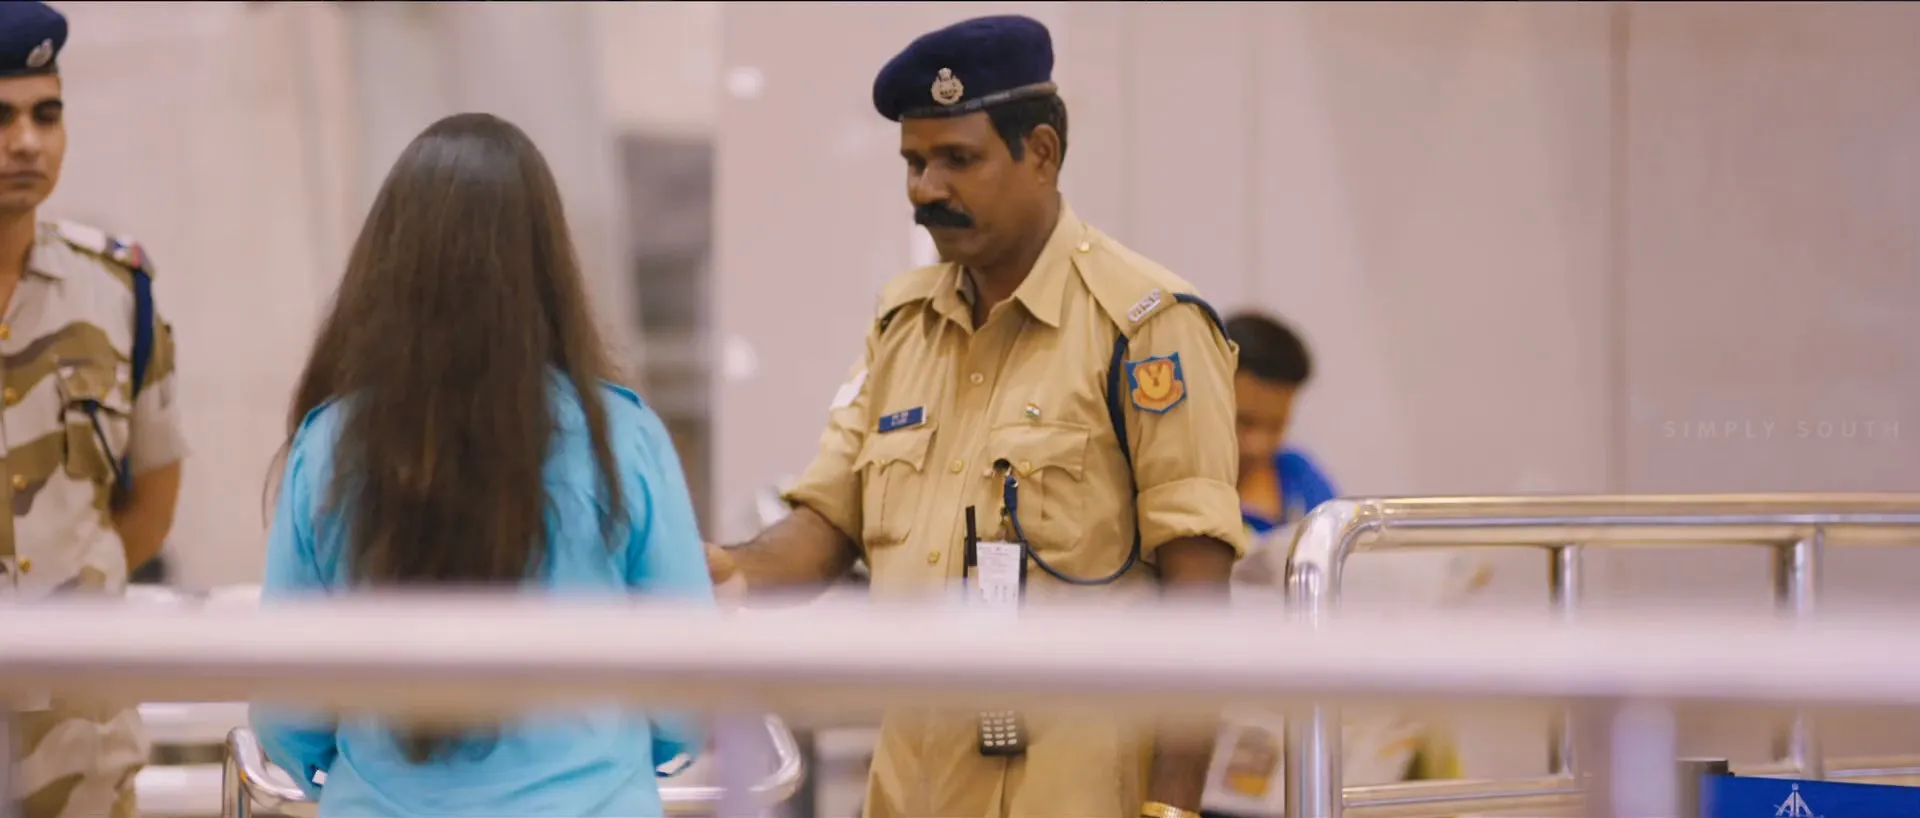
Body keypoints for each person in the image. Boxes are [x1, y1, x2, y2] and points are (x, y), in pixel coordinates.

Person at [705, 15, 1246, 818]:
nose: (926, 188)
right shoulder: (902, 327)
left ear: (1042, 154)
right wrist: (710, 572)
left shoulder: (1145, 327)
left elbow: (1199, 603)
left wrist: (1171, 813)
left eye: (957, 159)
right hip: (911, 791)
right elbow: (823, 528)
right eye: (914, 162)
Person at [249, 113, 714, 818]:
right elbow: (689, 690)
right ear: (547, 264)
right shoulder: (622, 437)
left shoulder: (331, 446)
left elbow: (288, 707)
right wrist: (608, 760)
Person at [0, 5, 188, 816]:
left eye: (46, 114)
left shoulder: (116, 293)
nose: (26, 142)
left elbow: (150, 507)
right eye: (2, 117)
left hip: (80, 752)